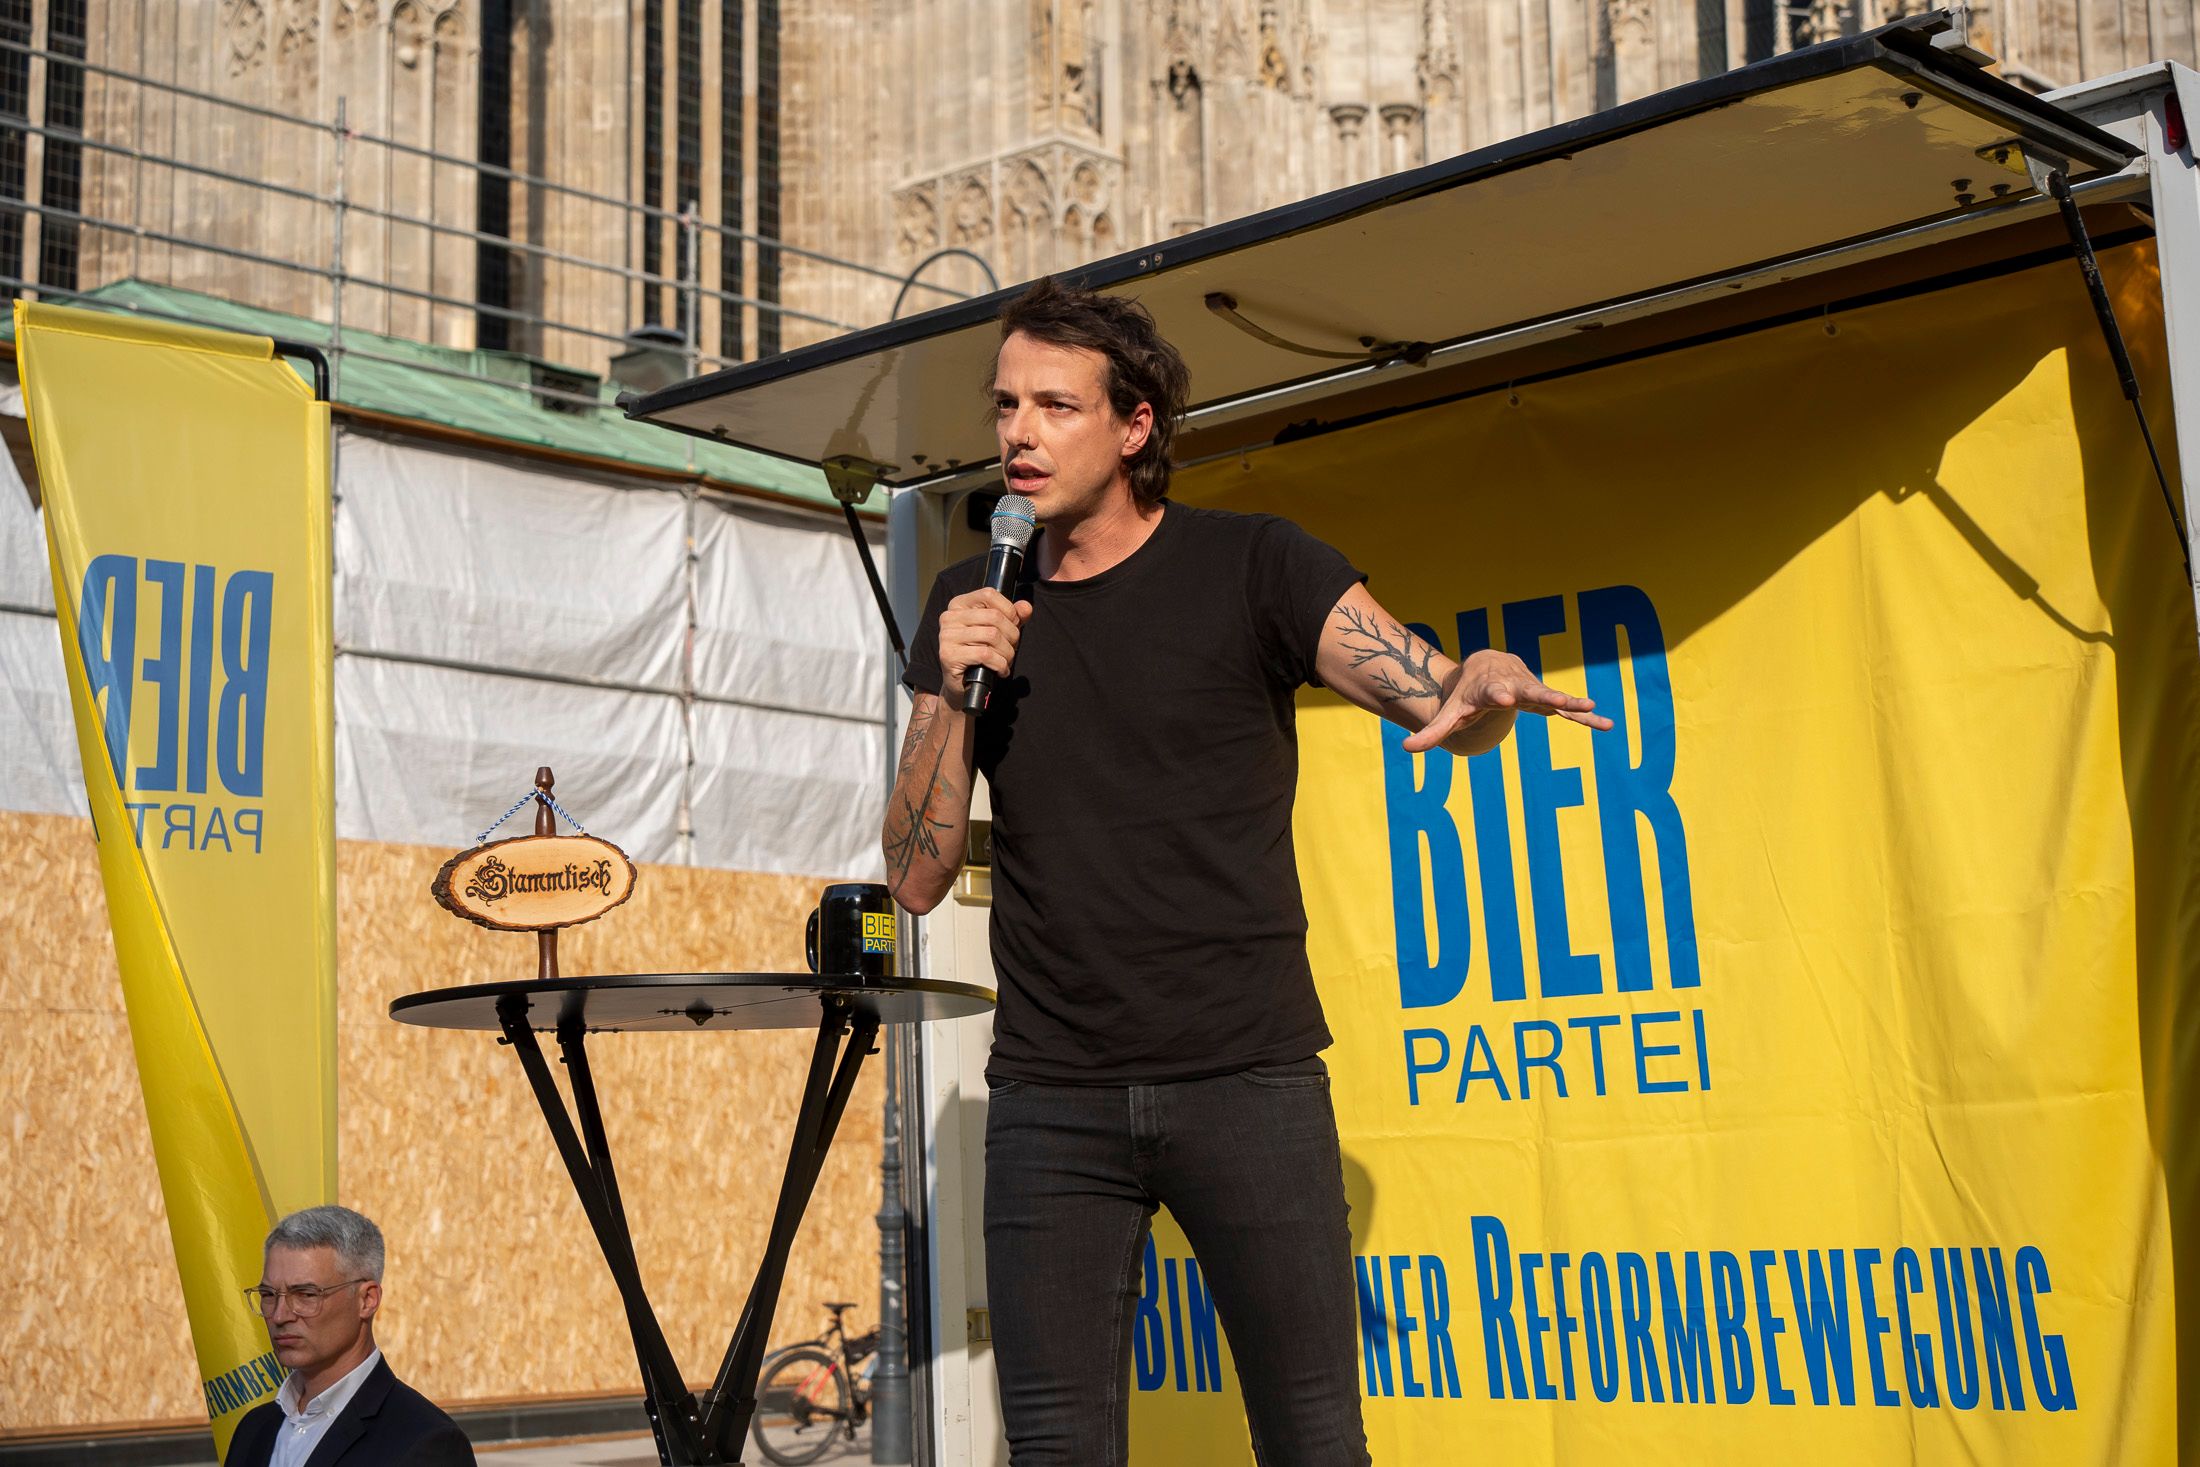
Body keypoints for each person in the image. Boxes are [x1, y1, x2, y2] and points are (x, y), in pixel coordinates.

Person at [883, 278, 1612, 1465]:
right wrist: (957, 697)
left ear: (1135, 427)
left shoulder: (1256, 566)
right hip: (1051, 1095)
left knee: (1313, 1439)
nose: (1017, 433)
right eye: (1005, 404)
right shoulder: (970, 599)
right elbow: (915, 876)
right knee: (1056, 1446)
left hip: (1246, 1082)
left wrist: (1477, 694)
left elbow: (1433, 695)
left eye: (1056, 407)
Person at [225, 1205, 474, 1467]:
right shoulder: (253, 1430)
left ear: (367, 1299)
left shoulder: (426, 1441)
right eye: (268, 1295)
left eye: (307, 1295)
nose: (279, 1315)